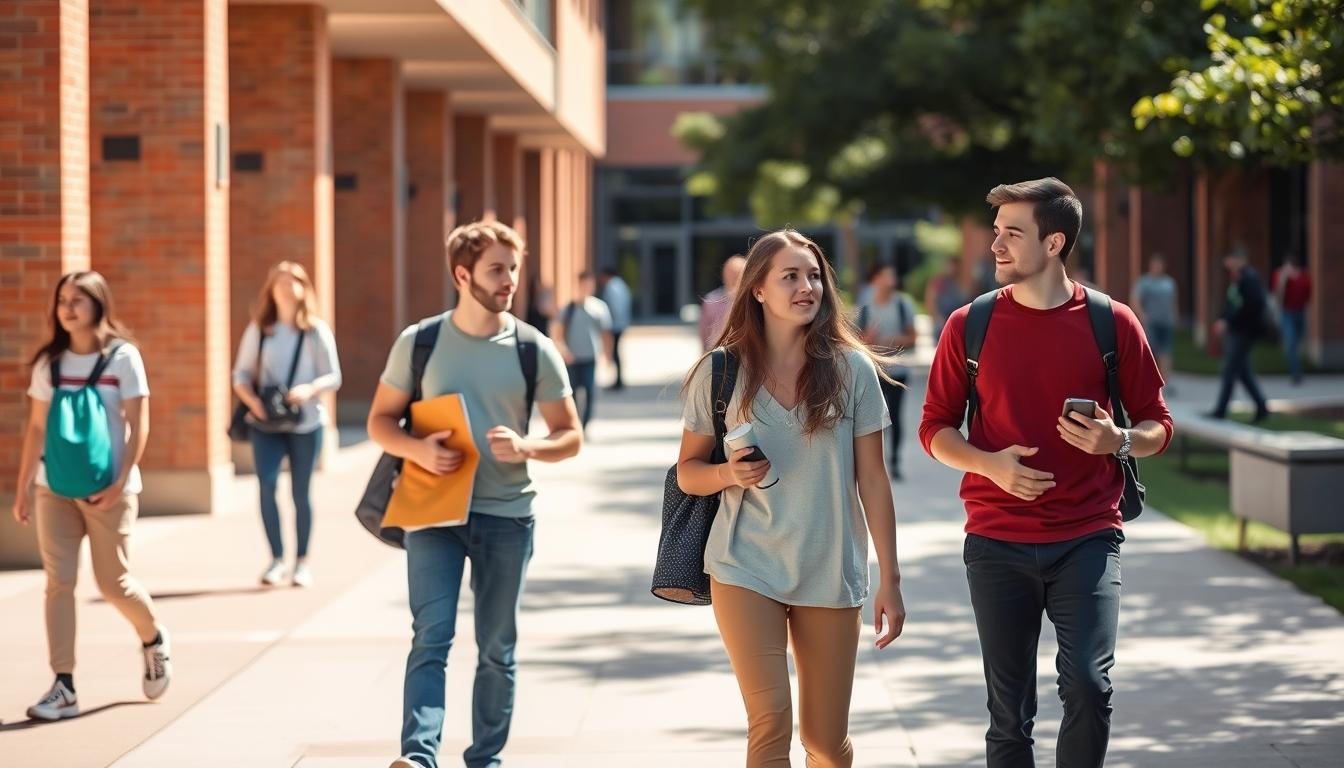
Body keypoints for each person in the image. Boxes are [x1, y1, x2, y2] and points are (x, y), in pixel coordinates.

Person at [919, 178, 1172, 767]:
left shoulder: (1112, 322)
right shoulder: (969, 325)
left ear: (1054, 242)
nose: (995, 246)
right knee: (1009, 715)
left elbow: (1160, 424)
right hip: (996, 541)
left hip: (1088, 537)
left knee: (1089, 685)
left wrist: (1120, 440)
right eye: (996, 231)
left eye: (1013, 233)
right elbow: (934, 429)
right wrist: (989, 466)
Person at [676, 229, 906, 766]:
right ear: (756, 289)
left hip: (829, 570)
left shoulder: (852, 370)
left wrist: (889, 580)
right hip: (744, 565)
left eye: (814, 276)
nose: (808, 287)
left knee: (825, 741)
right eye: (790, 276)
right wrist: (729, 475)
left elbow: (873, 480)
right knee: (771, 720)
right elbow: (688, 472)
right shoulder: (720, 372)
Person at [370, 220, 582, 768]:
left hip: (506, 515)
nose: (509, 279)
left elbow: (570, 435)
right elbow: (380, 422)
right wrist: (417, 450)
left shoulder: (533, 348)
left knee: (496, 648)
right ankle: (418, 758)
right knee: (431, 635)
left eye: (513, 267)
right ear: (462, 274)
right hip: (433, 512)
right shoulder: (420, 342)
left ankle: (484, 759)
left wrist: (529, 446)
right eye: (496, 269)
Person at [11, 271, 173, 721]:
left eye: (77, 299)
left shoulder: (124, 358)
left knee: (112, 582)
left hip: (110, 489)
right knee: (58, 583)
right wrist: (23, 485)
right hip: (54, 488)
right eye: (62, 299)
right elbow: (38, 427)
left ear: (99, 304)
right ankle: (63, 685)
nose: (67, 307)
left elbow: (140, 424)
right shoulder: (51, 363)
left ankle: (152, 637)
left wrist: (121, 481)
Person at [231, 262, 342, 588]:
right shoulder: (260, 330)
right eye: (279, 282)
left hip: (306, 422)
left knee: (301, 492)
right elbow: (240, 373)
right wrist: (253, 403)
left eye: (292, 281)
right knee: (266, 484)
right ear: (270, 289)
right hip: (266, 423)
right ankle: (276, 558)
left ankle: (302, 561)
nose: (285, 287)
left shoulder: (315, 331)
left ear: (303, 287)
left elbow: (334, 375)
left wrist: (309, 390)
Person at [857, 262, 918, 479]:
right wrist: (869, 340)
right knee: (875, 419)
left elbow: (913, 337)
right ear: (875, 280)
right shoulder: (865, 307)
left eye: (892, 275)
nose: (889, 280)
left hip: (899, 369)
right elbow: (858, 341)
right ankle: (876, 461)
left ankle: (894, 461)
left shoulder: (903, 304)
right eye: (884, 275)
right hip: (874, 370)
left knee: (896, 417)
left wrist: (887, 341)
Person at [1208, 245, 1270, 421]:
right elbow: (1232, 304)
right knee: (1242, 372)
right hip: (1237, 330)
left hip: (1245, 331)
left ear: (1238, 260)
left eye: (1229, 259)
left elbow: (1252, 305)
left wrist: (1228, 321)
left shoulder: (1250, 278)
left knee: (1229, 369)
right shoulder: (1238, 278)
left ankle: (1220, 410)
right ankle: (1261, 407)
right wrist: (1223, 320)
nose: (1227, 263)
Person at [551, 271, 613, 430]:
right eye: (583, 284)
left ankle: (584, 426)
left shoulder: (599, 308)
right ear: (578, 285)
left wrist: (607, 355)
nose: (586, 287)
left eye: (589, 284)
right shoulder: (569, 308)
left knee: (590, 393)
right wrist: (564, 351)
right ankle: (575, 423)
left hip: (590, 357)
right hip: (572, 358)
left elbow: (606, 333)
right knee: (572, 394)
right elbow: (557, 332)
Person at [1131, 253, 1178, 388]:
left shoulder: (1169, 283)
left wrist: (1174, 316)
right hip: (1151, 322)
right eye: (1155, 264)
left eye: (1160, 265)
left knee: (1166, 352)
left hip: (1166, 322)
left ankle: (1165, 384)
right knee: (1150, 352)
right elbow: (1135, 300)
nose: (1157, 267)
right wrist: (1142, 315)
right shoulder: (1144, 282)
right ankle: (1149, 381)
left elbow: (1173, 301)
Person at [1271, 254, 1313, 385]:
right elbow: (1277, 295)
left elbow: (1308, 295)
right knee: (1291, 342)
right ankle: (1296, 374)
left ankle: (1296, 369)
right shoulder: (1279, 275)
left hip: (1300, 311)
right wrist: (1284, 279)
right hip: (1286, 312)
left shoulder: (1304, 277)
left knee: (1297, 343)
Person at [699, 253, 747, 350]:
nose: (735, 277)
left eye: (738, 273)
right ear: (724, 274)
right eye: (732, 273)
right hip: (717, 353)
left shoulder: (756, 300)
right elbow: (703, 332)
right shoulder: (711, 301)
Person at [599, 266, 633, 390]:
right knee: (616, 351)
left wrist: (607, 323)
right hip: (621, 323)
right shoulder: (621, 285)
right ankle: (618, 379)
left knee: (614, 352)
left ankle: (618, 381)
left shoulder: (612, 287)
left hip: (614, 324)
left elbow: (614, 307)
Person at [925, 256, 968, 342]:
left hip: (955, 324)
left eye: (955, 266)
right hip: (941, 324)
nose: (953, 269)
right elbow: (931, 301)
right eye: (950, 266)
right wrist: (937, 318)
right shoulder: (938, 282)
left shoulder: (958, 283)